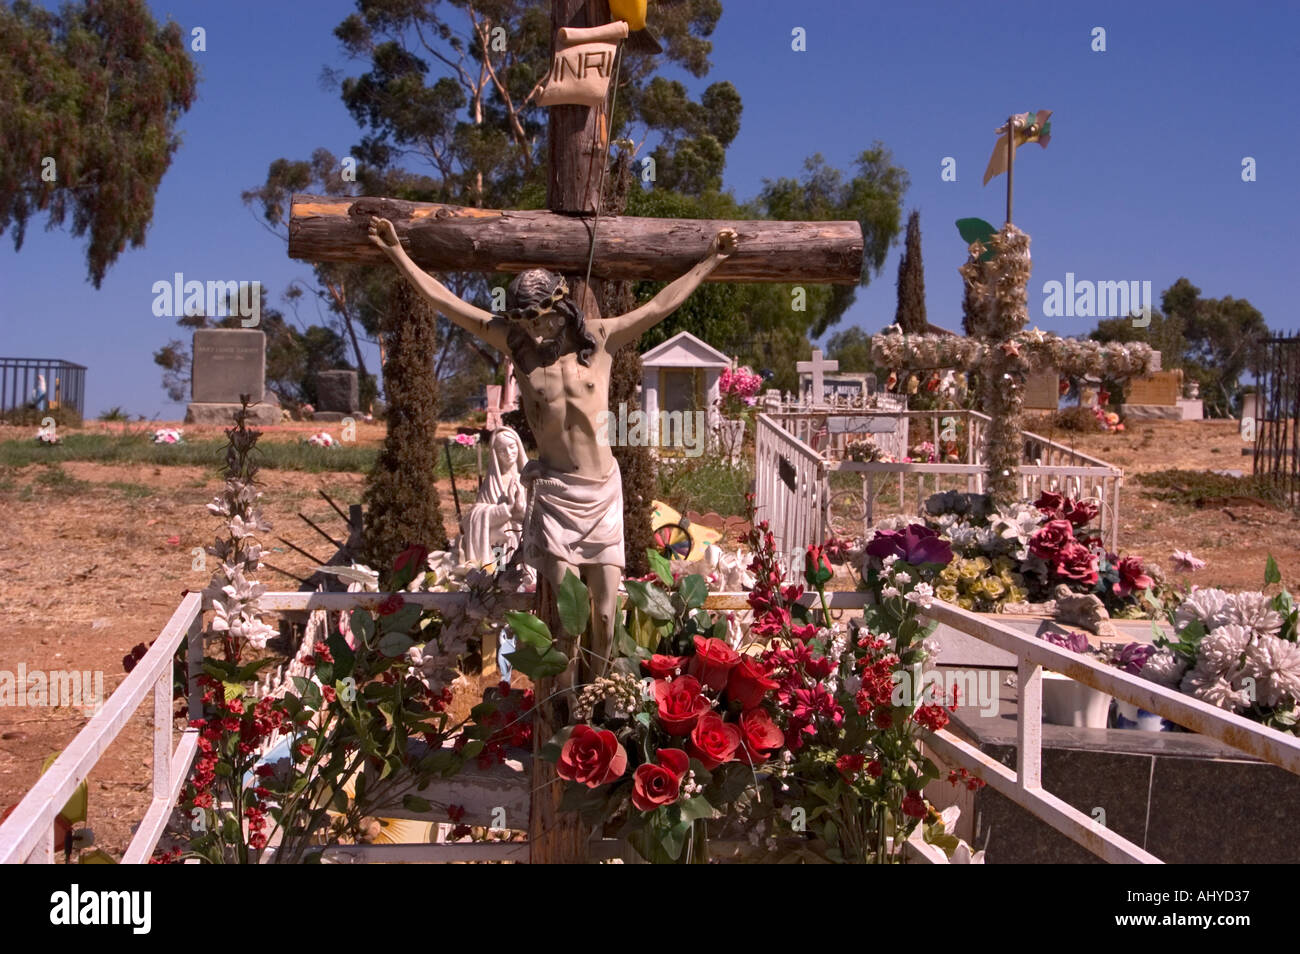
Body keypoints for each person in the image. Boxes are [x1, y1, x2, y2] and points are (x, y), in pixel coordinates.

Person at [369, 216, 737, 682]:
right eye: (525, 320)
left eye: (541, 317)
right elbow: (449, 303)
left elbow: (659, 305)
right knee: (564, 620)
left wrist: (711, 260)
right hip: (556, 492)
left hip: (602, 490)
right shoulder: (516, 344)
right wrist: (397, 252)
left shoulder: (599, 339)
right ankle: (561, 703)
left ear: (560, 305)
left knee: (605, 615)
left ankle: (604, 697)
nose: (535, 329)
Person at [459, 427, 528, 569]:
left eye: (512, 447)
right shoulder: (492, 483)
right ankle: (498, 577)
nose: (509, 453)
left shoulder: (528, 480)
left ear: (518, 446)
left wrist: (521, 510)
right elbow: (474, 516)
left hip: (526, 543)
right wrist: (507, 510)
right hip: (499, 544)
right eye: (502, 450)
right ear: (495, 453)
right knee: (500, 574)